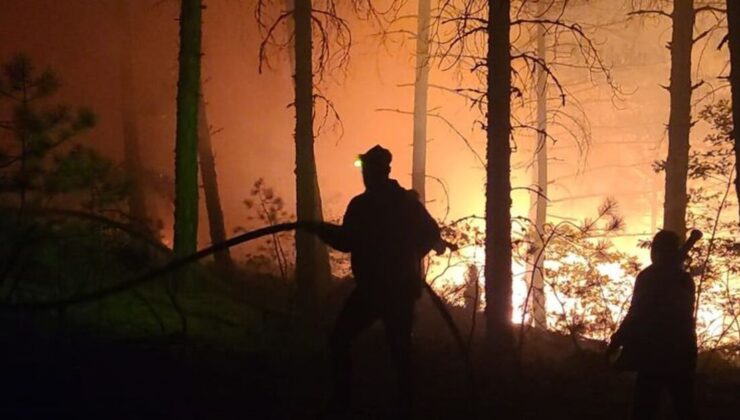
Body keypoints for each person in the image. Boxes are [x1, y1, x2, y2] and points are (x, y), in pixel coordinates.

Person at [307, 145, 445, 417]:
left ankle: (344, 402)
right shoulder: (406, 203)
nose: (366, 175)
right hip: (399, 290)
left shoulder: (364, 205)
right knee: (400, 351)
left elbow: (346, 241)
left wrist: (320, 231)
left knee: (341, 339)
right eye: (365, 169)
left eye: (369, 170)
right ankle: (403, 406)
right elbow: (431, 235)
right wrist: (413, 258)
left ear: (380, 171)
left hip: (375, 290)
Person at [607, 230, 698, 420]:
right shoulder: (684, 279)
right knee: (685, 407)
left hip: (654, 354)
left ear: (656, 251)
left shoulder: (649, 277)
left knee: (644, 409)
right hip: (681, 352)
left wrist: (616, 342)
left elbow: (637, 314)